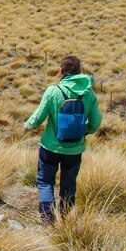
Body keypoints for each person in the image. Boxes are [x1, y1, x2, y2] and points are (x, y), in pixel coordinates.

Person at [24, 55, 102, 223]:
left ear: (61, 70)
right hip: (75, 148)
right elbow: (96, 122)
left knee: (45, 181)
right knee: (69, 182)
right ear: (80, 71)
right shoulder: (89, 93)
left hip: (50, 147)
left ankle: (47, 218)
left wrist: (27, 125)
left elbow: (38, 118)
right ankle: (65, 217)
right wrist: (83, 131)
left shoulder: (53, 91)